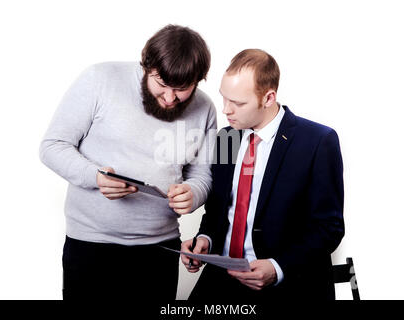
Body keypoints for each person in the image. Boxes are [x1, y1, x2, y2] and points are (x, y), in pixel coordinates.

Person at [39, 25, 217, 300]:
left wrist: (193, 194)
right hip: (91, 245)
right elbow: (52, 146)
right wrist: (95, 177)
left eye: (182, 89)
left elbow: (202, 175)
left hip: (161, 249)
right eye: (161, 84)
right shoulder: (99, 79)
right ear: (146, 65)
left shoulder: (205, 108)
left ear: (199, 80)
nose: (170, 99)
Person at [181, 49, 344, 301]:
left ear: (268, 98)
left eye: (238, 103)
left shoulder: (318, 141)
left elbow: (329, 228)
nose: (226, 110)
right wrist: (205, 240)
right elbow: (217, 209)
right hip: (222, 275)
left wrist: (278, 267)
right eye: (224, 99)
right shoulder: (227, 137)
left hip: (286, 282)